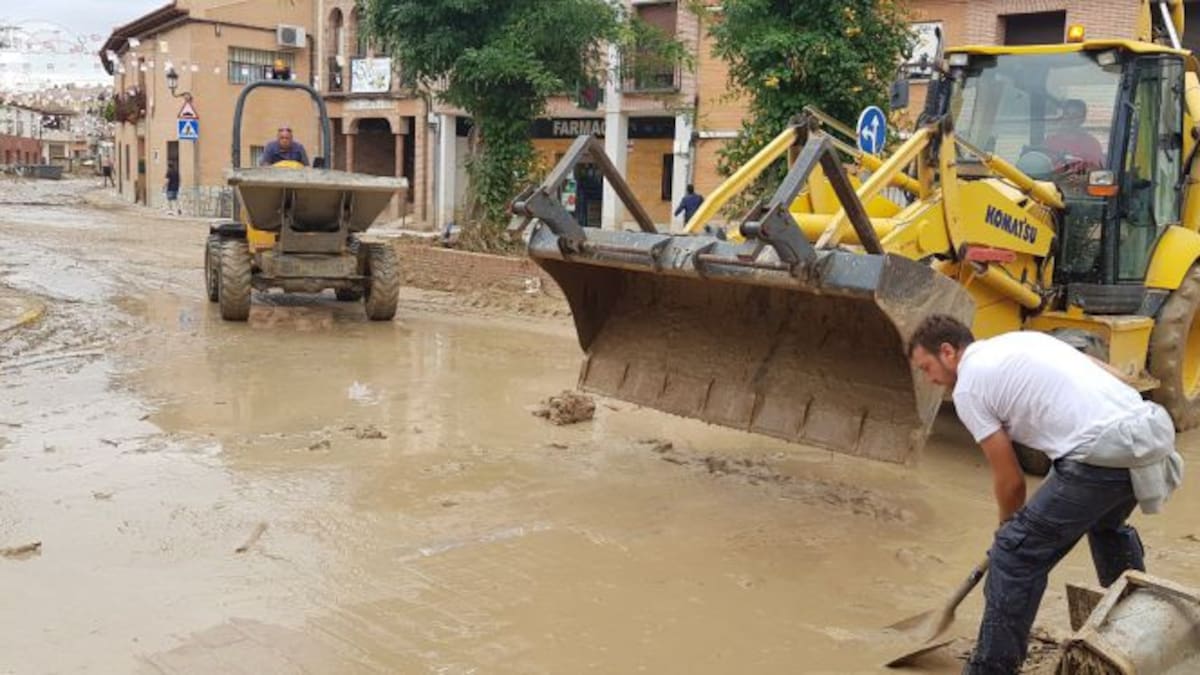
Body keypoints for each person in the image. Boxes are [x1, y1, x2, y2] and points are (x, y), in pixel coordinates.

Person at [907, 315, 1183, 675]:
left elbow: (1011, 482)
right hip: (1147, 435)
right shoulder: (1021, 341)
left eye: (927, 368)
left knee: (1014, 556)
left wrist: (1007, 536)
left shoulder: (969, 388)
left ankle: (992, 669)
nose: (930, 379)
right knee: (1104, 525)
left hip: (1103, 454)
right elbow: (1111, 373)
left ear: (947, 351)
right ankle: (1140, 629)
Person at [1045, 99, 1105, 169]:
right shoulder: (1050, 142)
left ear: (1082, 119)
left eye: (1075, 115)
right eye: (1067, 114)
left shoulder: (1092, 144)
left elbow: (1096, 171)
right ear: (1062, 116)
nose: (1070, 118)